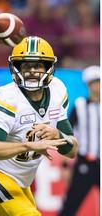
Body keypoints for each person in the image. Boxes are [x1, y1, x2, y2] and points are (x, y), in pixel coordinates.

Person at [0, 36, 78, 216]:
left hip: (21, 181)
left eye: (37, 65)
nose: (32, 71)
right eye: (26, 66)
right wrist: (29, 145)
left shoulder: (57, 91)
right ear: (16, 68)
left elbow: (72, 150)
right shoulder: (6, 97)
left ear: (48, 68)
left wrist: (57, 135)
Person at [58, 65, 100, 216]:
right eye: (95, 82)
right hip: (86, 163)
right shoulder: (80, 105)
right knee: (70, 205)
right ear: (88, 85)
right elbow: (67, 135)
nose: (98, 85)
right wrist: (64, 165)